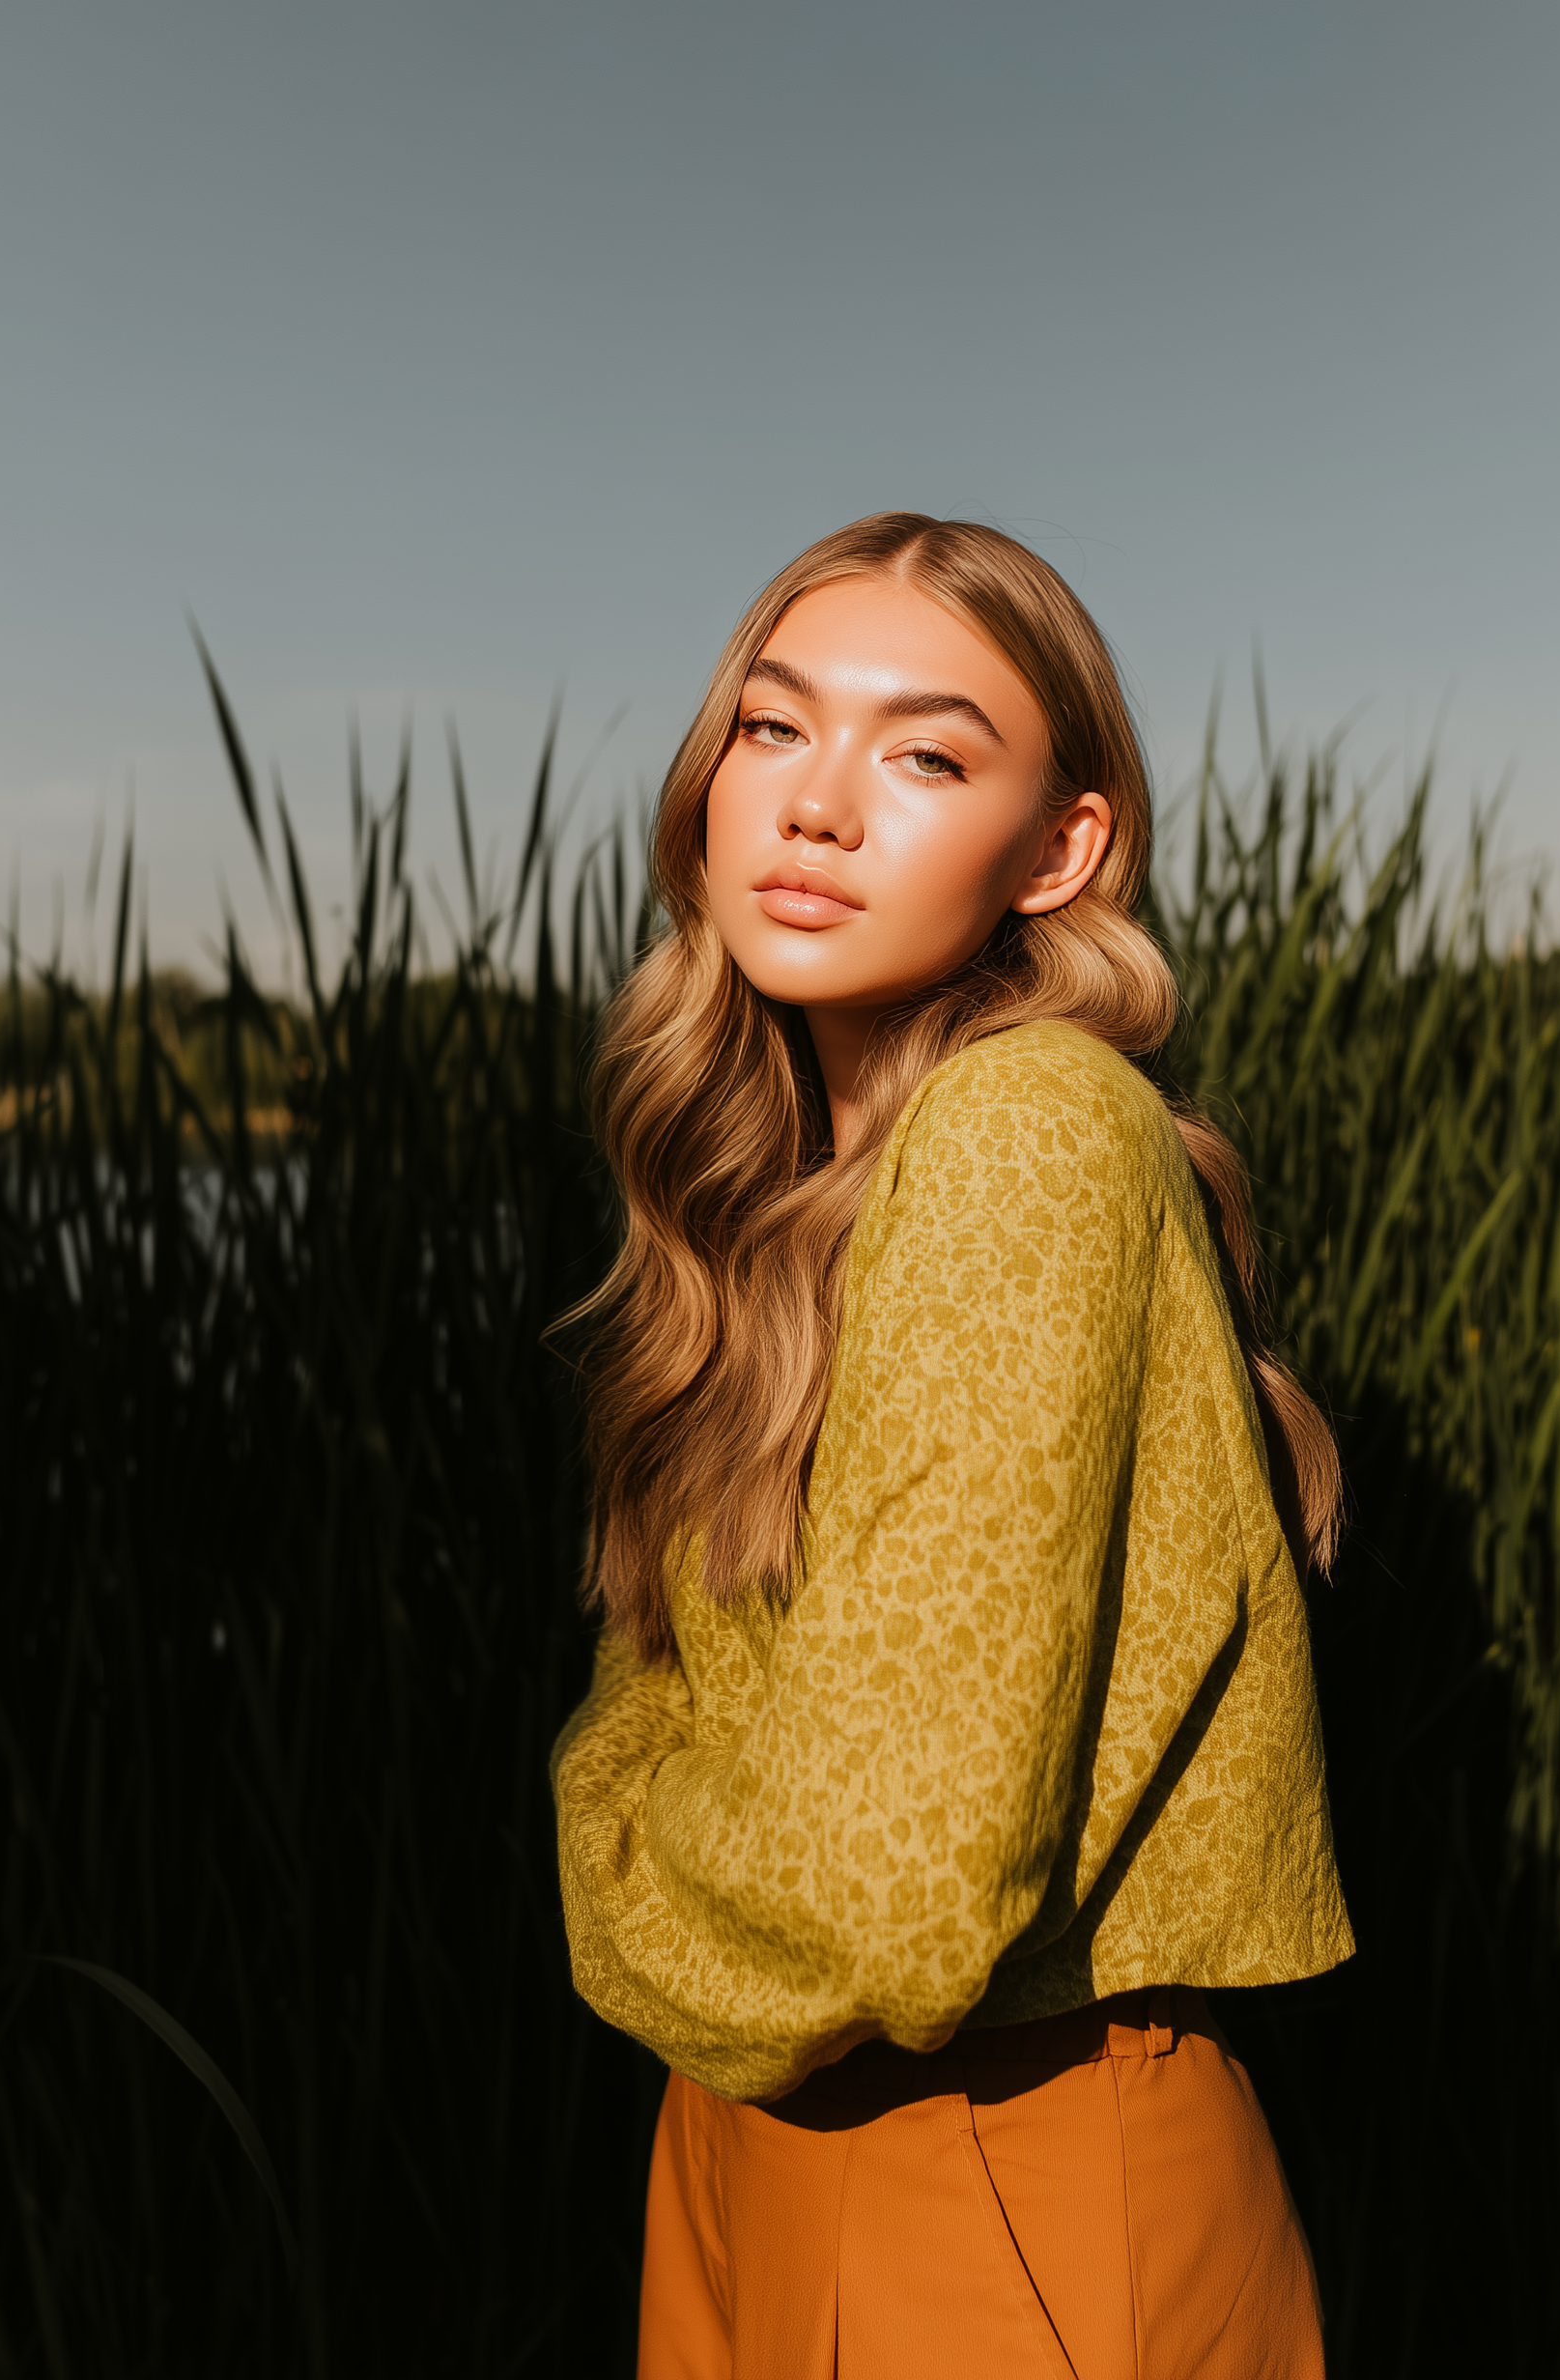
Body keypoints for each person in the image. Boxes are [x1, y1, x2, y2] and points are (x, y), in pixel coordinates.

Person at [551, 513, 1354, 2378]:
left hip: (992, 2160)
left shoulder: (1027, 1133)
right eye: (773, 727)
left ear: (1058, 850)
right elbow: (653, 1712)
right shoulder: (788, 1215)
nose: (816, 805)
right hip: (750, 2132)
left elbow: (885, 1883)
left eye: (923, 755)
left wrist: (614, 1877)